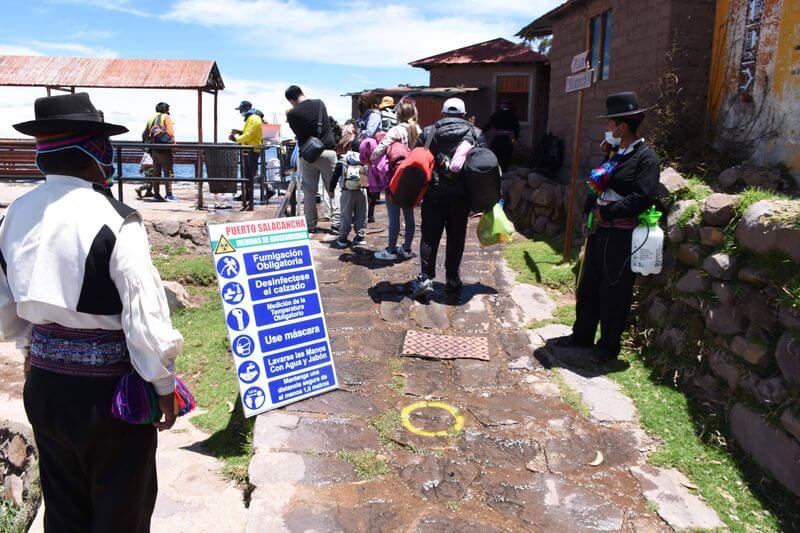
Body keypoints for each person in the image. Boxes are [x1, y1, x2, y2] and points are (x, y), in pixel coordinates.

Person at [2, 92, 183, 531]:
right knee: (122, 509)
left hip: (45, 387)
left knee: (65, 507)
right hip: (111, 397)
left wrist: (36, 346)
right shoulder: (117, 220)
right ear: (92, 154)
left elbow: (7, 312)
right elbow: (144, 315)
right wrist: (163, 383)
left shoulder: (14, 215)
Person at [556, 92, 659, 364]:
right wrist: (589, 211)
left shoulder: (645, 159)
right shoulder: (615, 154)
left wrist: (607, 211)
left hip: (621, 235)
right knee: (589, 284)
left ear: (622, 127)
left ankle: (607, 347)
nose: (608, 129)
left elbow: (642, 197)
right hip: (600, 230)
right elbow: (597, 186)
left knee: (614, 290)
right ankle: (582, 335)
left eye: (611, 124)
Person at [411, 98, 486, 298]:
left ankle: (426, 278)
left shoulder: (429, 132)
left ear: (443, 112)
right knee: (456, 237)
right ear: (463, 114)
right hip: (462, 197)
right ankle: (452, 277)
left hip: (434, 194)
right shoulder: (475, 133)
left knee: (429, 236)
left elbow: (417, 160)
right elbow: (482, 166)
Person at [371, 100, 420, 261]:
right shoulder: (418, 130)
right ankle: (406, 249)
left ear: (398, 115)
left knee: (394, 216)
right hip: (413, 179)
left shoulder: (396, 131)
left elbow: (379, 149)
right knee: (409, 215)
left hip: (395, 178)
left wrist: (371, 159)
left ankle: (391, 251)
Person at [285, 85, 338, 232]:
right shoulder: (320, 104)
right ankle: (338, 222)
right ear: (301, 92)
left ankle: (310, 224)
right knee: (333, 189)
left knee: (309, 192)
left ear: (291, 100)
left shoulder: (292, 114)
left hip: (307, 156)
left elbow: (299, 134)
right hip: (327, 152)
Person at [230, 100, 275, 208]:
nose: (240, 112)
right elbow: (248, 133)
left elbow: (250, 135)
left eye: (241, 110)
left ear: (245, 109)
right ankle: (247, 194)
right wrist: (240, 132)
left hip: (253, 149)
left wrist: (236, 138)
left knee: (253, 173)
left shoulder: (254, 118)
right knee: (247, 173)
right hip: (248, 148)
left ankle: (269, 189)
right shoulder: (250, 118)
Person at [141, 101, 177, 202]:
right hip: (165, 149)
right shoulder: (166, 117)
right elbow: (170, 133)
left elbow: (144, 135)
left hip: (154, 150)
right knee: (168, 172)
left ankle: (156, 195)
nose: (168, 111)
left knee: (156, 172)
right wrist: (173, 147)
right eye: (168, 109)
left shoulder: (151, 118)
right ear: (165, 109)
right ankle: (169, 195)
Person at [357, 92, 382, 223]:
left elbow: (369, 133)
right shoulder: (364, 116)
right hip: (364, 154)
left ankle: (369, 214)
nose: (360, 103)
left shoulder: (374, 115)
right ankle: (364, 213)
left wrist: (358, 132)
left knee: (369, 185)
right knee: (363, 183)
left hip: (370, 154)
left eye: (362, 100)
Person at [483, 99, 520, 172]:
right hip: (509, 139)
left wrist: (480, 131)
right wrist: (515, 140)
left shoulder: (496, 114)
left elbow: (488, 125)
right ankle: (504, 172)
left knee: (496, 156)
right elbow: (517, 129)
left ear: (500, 106)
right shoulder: (513, 115)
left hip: (497, 139)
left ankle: (495, 172)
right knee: (506, 157)